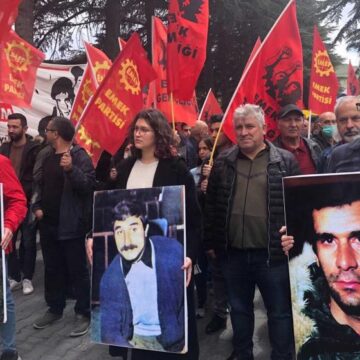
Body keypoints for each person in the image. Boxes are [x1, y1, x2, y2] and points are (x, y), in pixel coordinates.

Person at [87, 108, 201, 360]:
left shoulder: (176, 168)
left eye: (144, 130)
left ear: (158, 133)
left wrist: (191, 254)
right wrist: (90, 235)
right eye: (136, 129)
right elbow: (111, 202)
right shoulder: (125, 167)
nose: (138, 134)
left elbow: (194, 219)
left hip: (167, 266)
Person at [204, 104, 300, 360]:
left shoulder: (285, 161)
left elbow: (296, 206)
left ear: (264, 129)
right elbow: (212, 205)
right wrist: (212, 243)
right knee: (239, 310)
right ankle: (242, 353)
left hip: (272, 255)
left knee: (279, 313)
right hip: (233, 255)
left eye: (250, 126)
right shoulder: (223, 161)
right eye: (239, 127)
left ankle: (282, 355)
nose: (244, 132)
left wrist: (294, 235)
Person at [281, 179, 360, 358]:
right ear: (315, 253)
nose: (345, 262)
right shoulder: (307, 346)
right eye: (328, 240)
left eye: (359, 239)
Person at [32, 117, 95, 337]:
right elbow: (39, 184)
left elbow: (88, 185)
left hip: (71, 224)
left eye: (48, 130)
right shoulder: (47, 156)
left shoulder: (79, 156)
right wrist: (37, 206)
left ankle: (83, 312)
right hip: (48, 223)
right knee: (52, 268)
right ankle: (55, 307)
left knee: (77, 270)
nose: (45, 133)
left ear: (56, 134)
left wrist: (71, 170)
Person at [100, 200, 185, 352]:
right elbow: (109, 330)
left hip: (176, 338)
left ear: (145, 230)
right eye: (120, 232)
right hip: (137, 340)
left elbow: (186, 301)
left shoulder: (173, 251)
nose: (127, 242)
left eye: (133, 229)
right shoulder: (110, 277)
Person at [0, 113, 40, 295]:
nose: (11, 130)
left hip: (27, 200)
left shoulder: (33, 149)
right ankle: (14, 276)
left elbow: (38, 176)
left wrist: (35, 200)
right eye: (9, 126)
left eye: (15, 127)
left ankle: (27, 278)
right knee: (9, 242)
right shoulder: (4, 148)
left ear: (24, 128)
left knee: (28, 241)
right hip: (7, 204)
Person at [0, 154, 27, 360]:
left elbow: (17, 199)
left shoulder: (1, 163)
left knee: (2, 298)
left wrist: (8, 226)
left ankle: (8, 350)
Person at [272, 104, 321, 174]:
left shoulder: (314, 147)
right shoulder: (271, 152)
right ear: (278, 124)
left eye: (297, 120)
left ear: (303, 122)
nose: (293, 125)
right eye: (287, 120)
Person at [324, 96, 360, 173]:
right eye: (343, 120)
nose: (349, 125)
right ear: (337, 123)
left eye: (355, 118)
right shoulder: (327, 156)